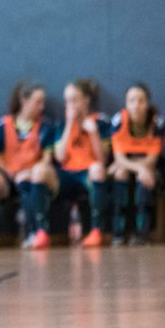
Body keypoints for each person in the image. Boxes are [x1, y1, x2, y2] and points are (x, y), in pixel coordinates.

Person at [0, 83, 56, 250]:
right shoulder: (4, 124)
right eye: (38, 102)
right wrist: (8, 171)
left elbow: (47, 158)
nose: (42, 107)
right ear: (24, 101)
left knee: (27, 182)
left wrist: (30, 172)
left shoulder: (45, 126)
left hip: (30, 174)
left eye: (43, 102)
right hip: (8, 173)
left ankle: (33, 233)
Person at [53, 78, 110, 248]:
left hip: (88, 173)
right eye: (67, 101)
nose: (70, 105)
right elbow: (60, 157)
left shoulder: (100, 121)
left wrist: (93, 133)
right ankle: (42, 232)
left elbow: (102, 159)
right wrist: (70, 124)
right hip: (67, 174)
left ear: (85, 100)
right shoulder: (62, 123)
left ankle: (96, 230)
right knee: (40, 173)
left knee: (98, 169)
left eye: (74, 100)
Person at [108, 83, 164, 246]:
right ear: (126, 104)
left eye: (141, 101)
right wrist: (139, 167)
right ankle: (118, 232)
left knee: (145, 177)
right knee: (120, 172)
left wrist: (142, 168)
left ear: (147, 103)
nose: (136, 105)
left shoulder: (157, 123)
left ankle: (142, 233)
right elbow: (119, 158)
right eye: (132, 100)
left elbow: (152, 159)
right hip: (127, 165)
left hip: (150, 166)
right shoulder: (119, 121)